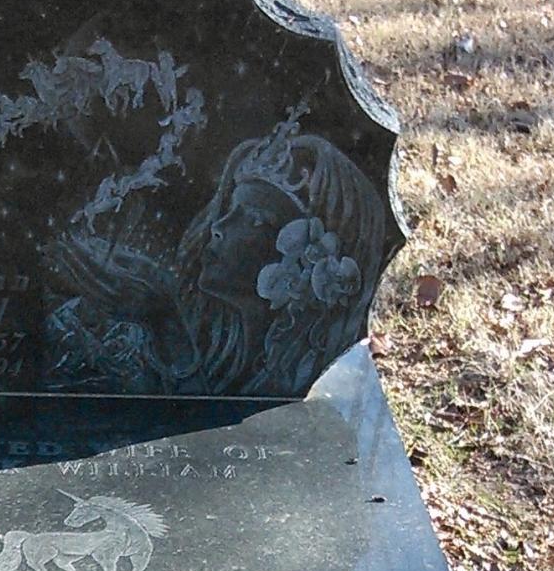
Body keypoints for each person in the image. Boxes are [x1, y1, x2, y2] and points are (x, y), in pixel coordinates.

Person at [45, 111, 387, 396]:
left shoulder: (294, 374)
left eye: (252, 219)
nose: (219, 226)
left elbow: (190, 421)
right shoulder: (220, 347)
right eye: (228, 209)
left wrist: (165, 320)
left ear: (300, 263)